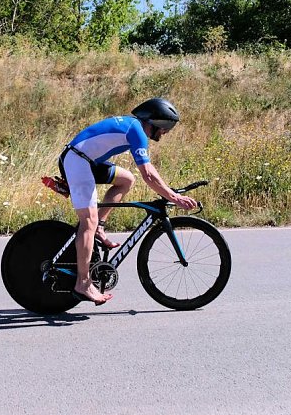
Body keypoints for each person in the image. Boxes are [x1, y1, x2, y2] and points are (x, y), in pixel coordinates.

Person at [57, 98, 198, 306]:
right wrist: (174, 197)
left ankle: (99, 227)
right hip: (78, 161)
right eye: (166, 126)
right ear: (155, 121)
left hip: (85, 160)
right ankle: (83, 283)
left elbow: (145, 173)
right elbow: (147, 174)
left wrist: (169, 192)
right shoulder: (137, 130)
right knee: (88, 222)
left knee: (126, 180)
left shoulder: (133, 126)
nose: (166, 132)